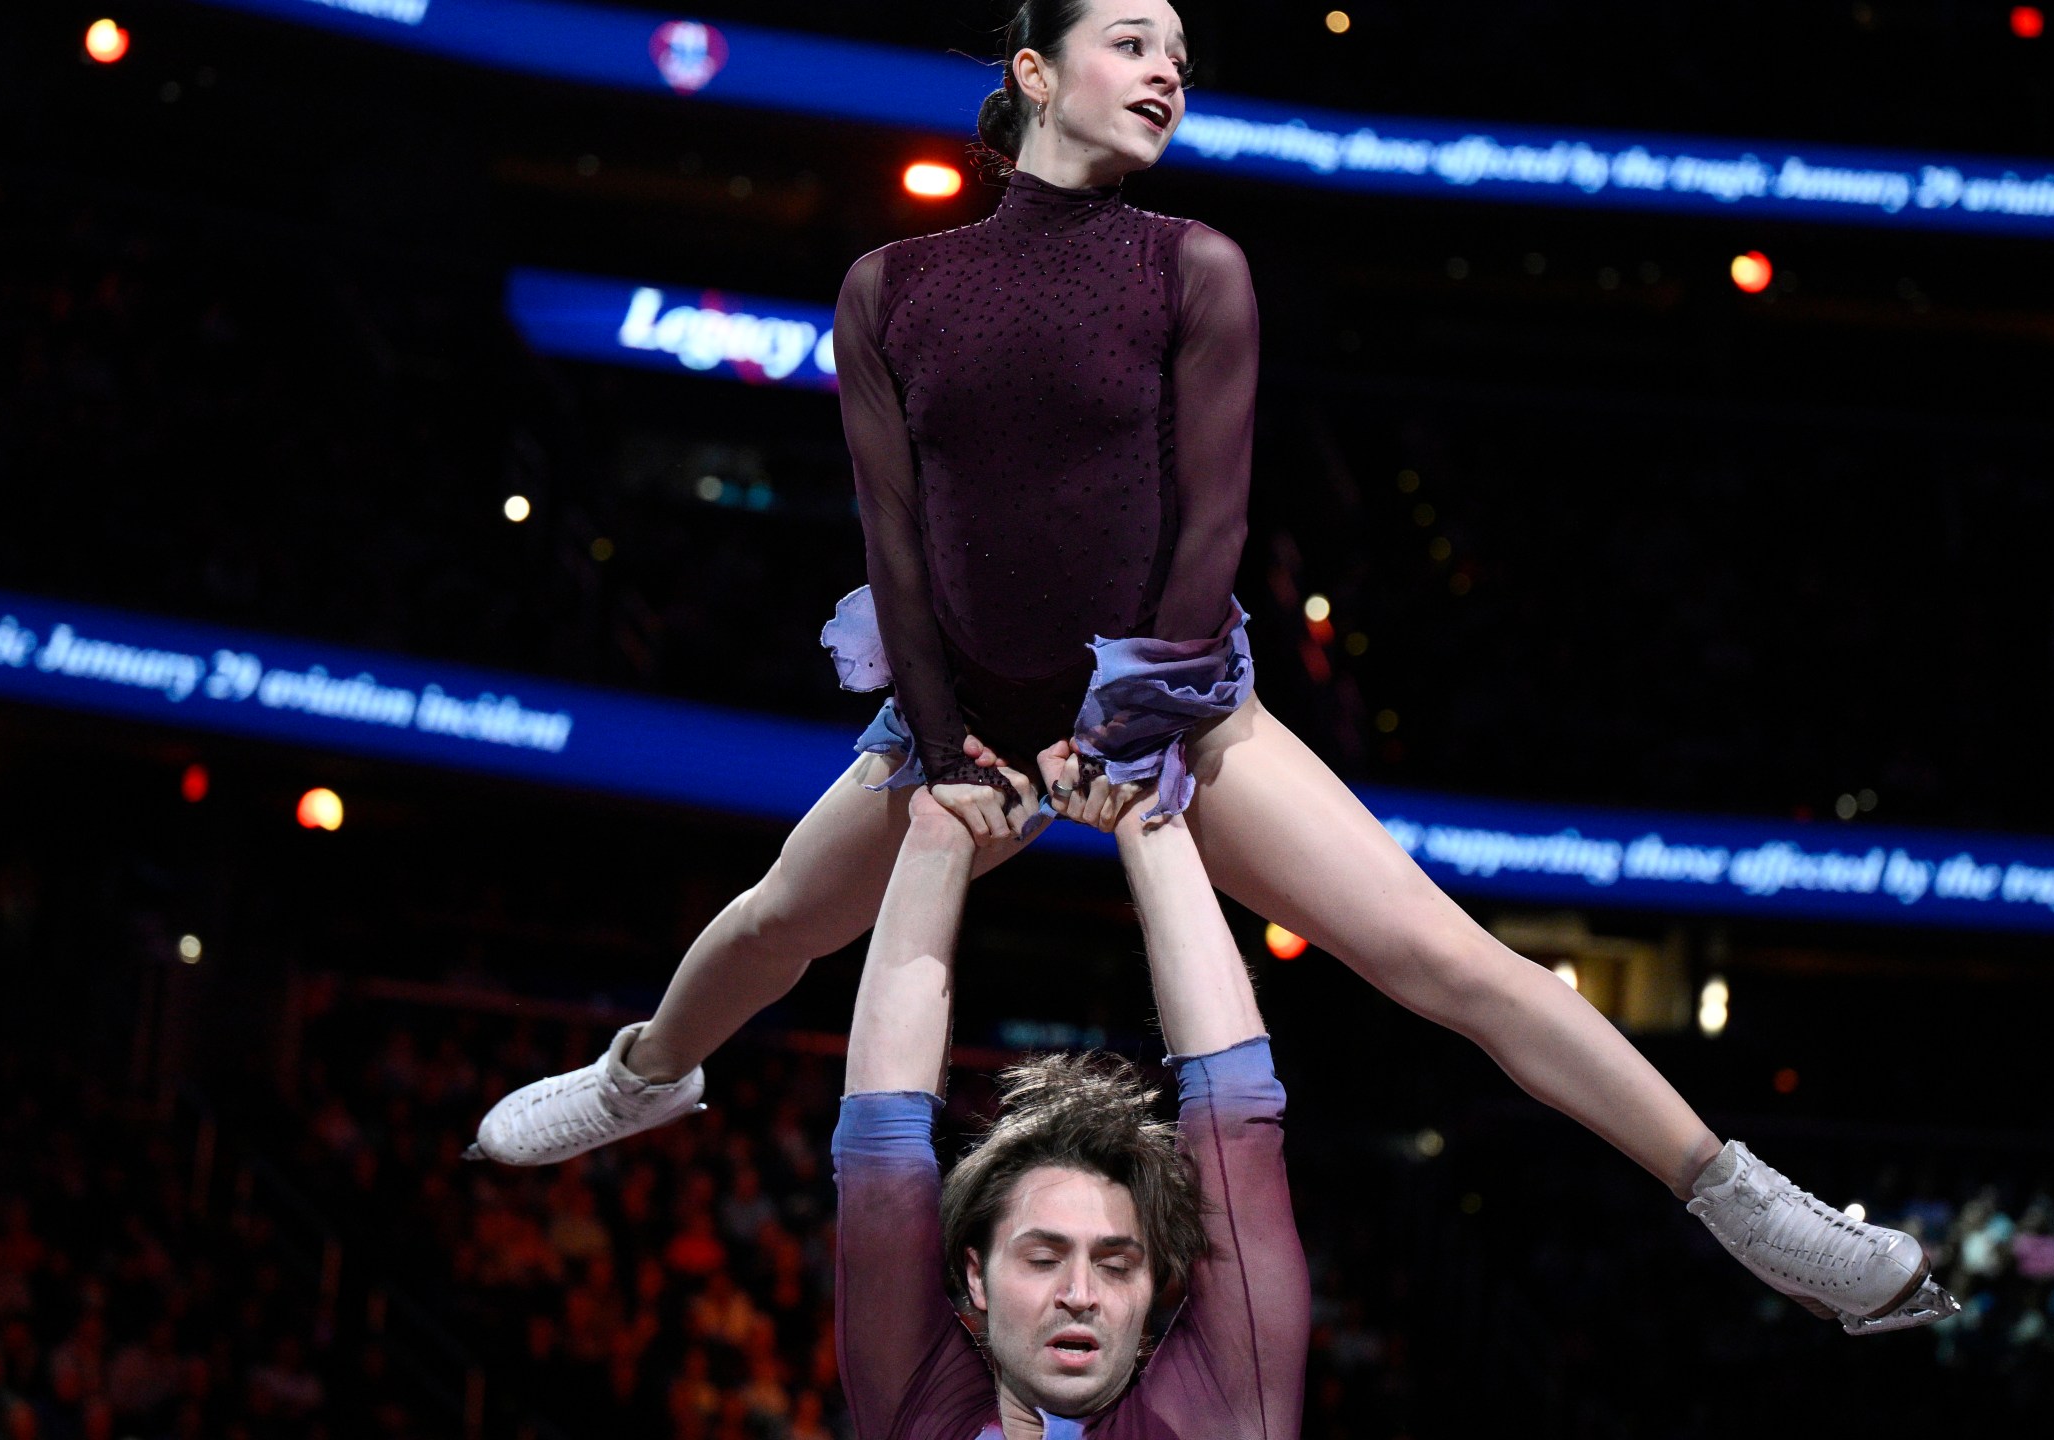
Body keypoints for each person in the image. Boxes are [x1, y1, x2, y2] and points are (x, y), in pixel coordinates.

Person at [469, 0, 1957, 1335]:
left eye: (1182, 53)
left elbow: (1213, 523)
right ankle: (643, 1077)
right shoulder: (889, 288)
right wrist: (940, 741)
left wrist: (1137, 721)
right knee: (776, 921)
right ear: (1035, 71)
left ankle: (1749, 1206)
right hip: (967, 714)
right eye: (1133, 42)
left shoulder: (1198, 268)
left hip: (1179, 704)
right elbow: (898, 540)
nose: (1168, 71)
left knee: (1449, 963)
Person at [831, 767, 1304, 1439]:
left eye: (1116, 1264)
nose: (1079, 1295)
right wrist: (940, 827)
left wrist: (1146, 809)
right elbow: (881, 1151)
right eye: (1043, 1257)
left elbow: (1239, 1124)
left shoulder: (1222, 1420)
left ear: (1151, 1293)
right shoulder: (922, 1421)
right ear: (978, 1279)